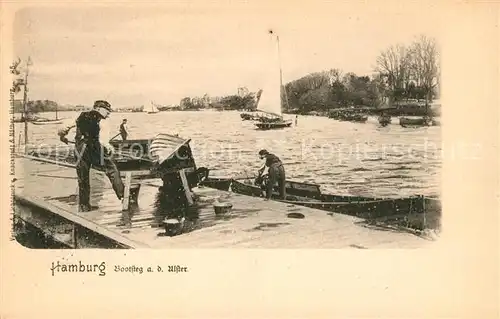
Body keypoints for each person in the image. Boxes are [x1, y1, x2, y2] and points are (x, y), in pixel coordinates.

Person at [58, 100, 125, 212]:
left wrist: (62, 137)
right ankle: (123, 195)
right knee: (111, 170)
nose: (109, 113)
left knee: (83, 178)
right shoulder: (103, 122)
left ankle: (84, 206)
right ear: (98, 108)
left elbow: (63, 128)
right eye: (107, 111)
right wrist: (109, 148)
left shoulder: (80, 115)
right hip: (93, 149)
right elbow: (103, 141)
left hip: (81, 149)